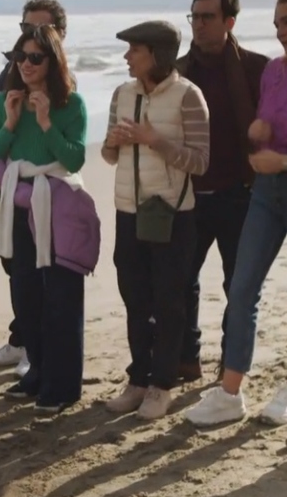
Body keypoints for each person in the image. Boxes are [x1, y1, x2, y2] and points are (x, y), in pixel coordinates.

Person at [185, 0, 287, 428]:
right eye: (276, 22)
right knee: (243, 287)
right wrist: (259, 133)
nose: (279, 29)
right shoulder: (273, 71)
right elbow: (268, 129)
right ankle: (231, 392)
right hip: (265, 192)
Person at [0, 24, 96, 414]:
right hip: (17, 199)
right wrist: (11, 121)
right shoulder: (5, 101)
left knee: (61, 295)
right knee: (25, 292)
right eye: (20, 56)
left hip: (56, 198)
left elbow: (75, 158)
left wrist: (46, 121)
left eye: (35, 57)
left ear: (52, 62)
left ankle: (63, 384)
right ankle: (39, 371)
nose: (26, 64)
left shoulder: (72, 104)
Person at [100, 21, 210, 420]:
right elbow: (109, 157)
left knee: (168, 302)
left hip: (171, 215)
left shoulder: (188, 96)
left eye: (135, 50)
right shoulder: (122, 93)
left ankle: (162, 385)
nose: (127, 57)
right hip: (127, 211)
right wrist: (113, 143)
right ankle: (137, 380)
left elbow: (200, 161)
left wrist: (154, 141)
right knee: (134, 298)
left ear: (157, 55)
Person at [175, 0, 270, 382]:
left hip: (240, 195)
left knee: (240, 288)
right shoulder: (177, 73)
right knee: (179, 281)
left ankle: (230, 368)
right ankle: (186, 359)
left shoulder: (257, 69)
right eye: (194, 17)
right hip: (189, 195)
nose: (198, 24)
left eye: (207, 17)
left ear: (229, 22)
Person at [0, 0, 69, 379]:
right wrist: (14, 70)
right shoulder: (18, 70)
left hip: (50, 188)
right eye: (24, 30)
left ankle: (36, 345)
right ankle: (23, 336)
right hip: (13, 185)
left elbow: (72, 148)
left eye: (38, 31)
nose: (29, 41)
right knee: (15, 264)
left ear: (59, 35)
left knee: (43, 267)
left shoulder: (62, 82)